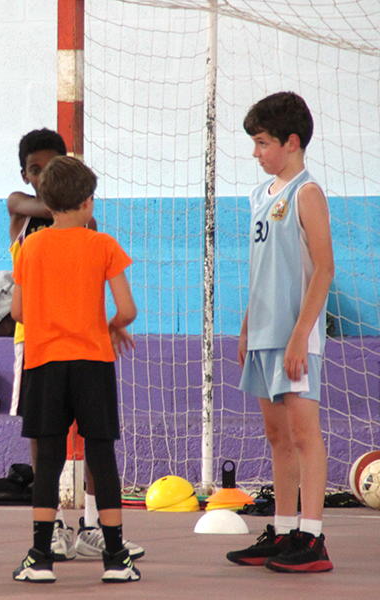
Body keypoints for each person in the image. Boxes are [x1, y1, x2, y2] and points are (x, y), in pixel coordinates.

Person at [7, 129, 143, 563]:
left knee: (48, 456)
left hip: (43, 357)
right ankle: (114, 554)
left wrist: (51, 322)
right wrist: (109, 326)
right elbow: (127, 310)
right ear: (88, 202)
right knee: (100, 454)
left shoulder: (31, 247)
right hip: (92, 359)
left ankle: (41, 554)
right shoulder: (101, 243)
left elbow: (17, 311)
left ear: (47, 199)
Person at [226, 91, 334, 573]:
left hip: (296, 338)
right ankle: (284, 528)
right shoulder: (259, 195)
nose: (256, 152)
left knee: (304, 434)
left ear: (291, 142)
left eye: (263, 142)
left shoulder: (306, 194)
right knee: (277, 436)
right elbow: (261, 270)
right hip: (264, 334)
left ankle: (312, 537)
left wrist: (298, 336)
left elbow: (324, 270)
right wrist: (247, 326)